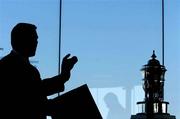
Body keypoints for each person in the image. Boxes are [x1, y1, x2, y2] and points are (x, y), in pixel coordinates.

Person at [0, 23, 78, 119]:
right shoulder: (8, 67)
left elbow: (35, 92)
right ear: (22, 40)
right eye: (34, 39)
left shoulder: (11, 65)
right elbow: (31, 97)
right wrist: (63, 77)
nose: (36, 42)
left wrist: (63, 76)